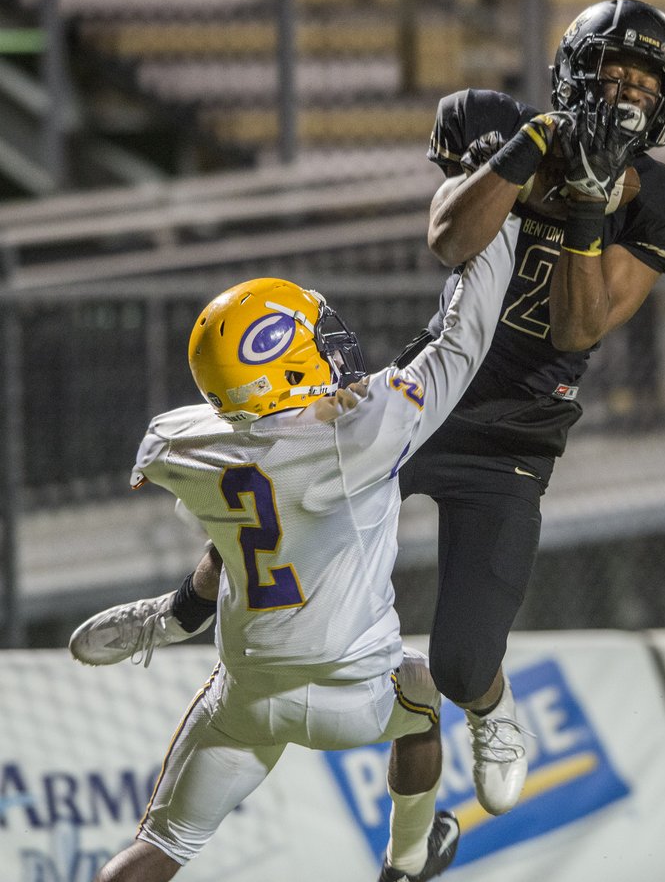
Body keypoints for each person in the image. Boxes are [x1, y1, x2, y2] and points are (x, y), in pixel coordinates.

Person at [70, 0, 665, 821]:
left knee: (465, 661)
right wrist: (533, 149)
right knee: (283, 478)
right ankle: (183, 610)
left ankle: (490, 707)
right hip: (421, 398)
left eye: (642, 81)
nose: (624, 92)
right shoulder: (500, 124)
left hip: (517, 432)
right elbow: (449, 239)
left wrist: (587, 202)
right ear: (573, 73)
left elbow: (578, 325)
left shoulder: (663, 200)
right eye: (611, 72)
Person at [75, 215, 519, 881]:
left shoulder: (177, 442)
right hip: (357, 691)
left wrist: (186, 610)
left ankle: (171, 618)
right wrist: (504, 222)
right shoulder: (357, 435)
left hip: (248, 692)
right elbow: (463, 339)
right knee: (422, 696)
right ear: (284, 360)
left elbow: (239, 521)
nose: (337, 353)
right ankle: (407, 860)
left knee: (157, 847)